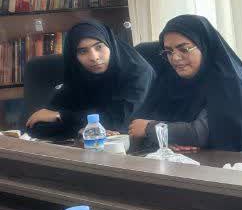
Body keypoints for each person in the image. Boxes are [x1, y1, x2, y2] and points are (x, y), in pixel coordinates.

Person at [128, 14, 242, 151]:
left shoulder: (229, 83)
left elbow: (202, 134)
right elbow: (139, 124)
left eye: (184, 49)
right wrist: (169, 139)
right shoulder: (173, 81)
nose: (175, 58)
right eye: (168, 51)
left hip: (240, 168)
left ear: (205, 46)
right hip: (189, 165)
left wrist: (151, 129)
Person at [25, 21, 155, 138]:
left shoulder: (137, 73)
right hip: (91, 148)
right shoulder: (79, 75)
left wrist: (60, 116)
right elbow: (36, 125)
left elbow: (115, 122)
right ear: (74, 56)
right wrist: (81, 130)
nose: (94, 57)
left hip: (140, 147)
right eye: (83, 51)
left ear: (110, 44)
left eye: (99, 47)